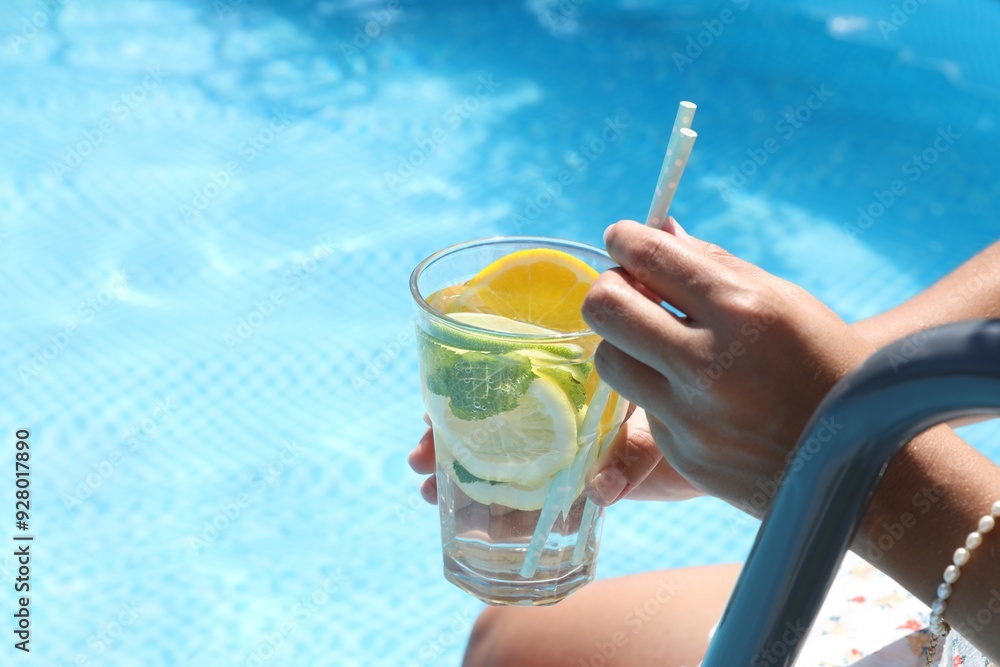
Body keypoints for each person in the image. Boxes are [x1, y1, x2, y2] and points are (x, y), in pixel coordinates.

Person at [408, 218, 1000, 666]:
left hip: (962, 562)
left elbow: (853, 460)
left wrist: (848, 470)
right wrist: (784, 388)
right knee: (512, 646)